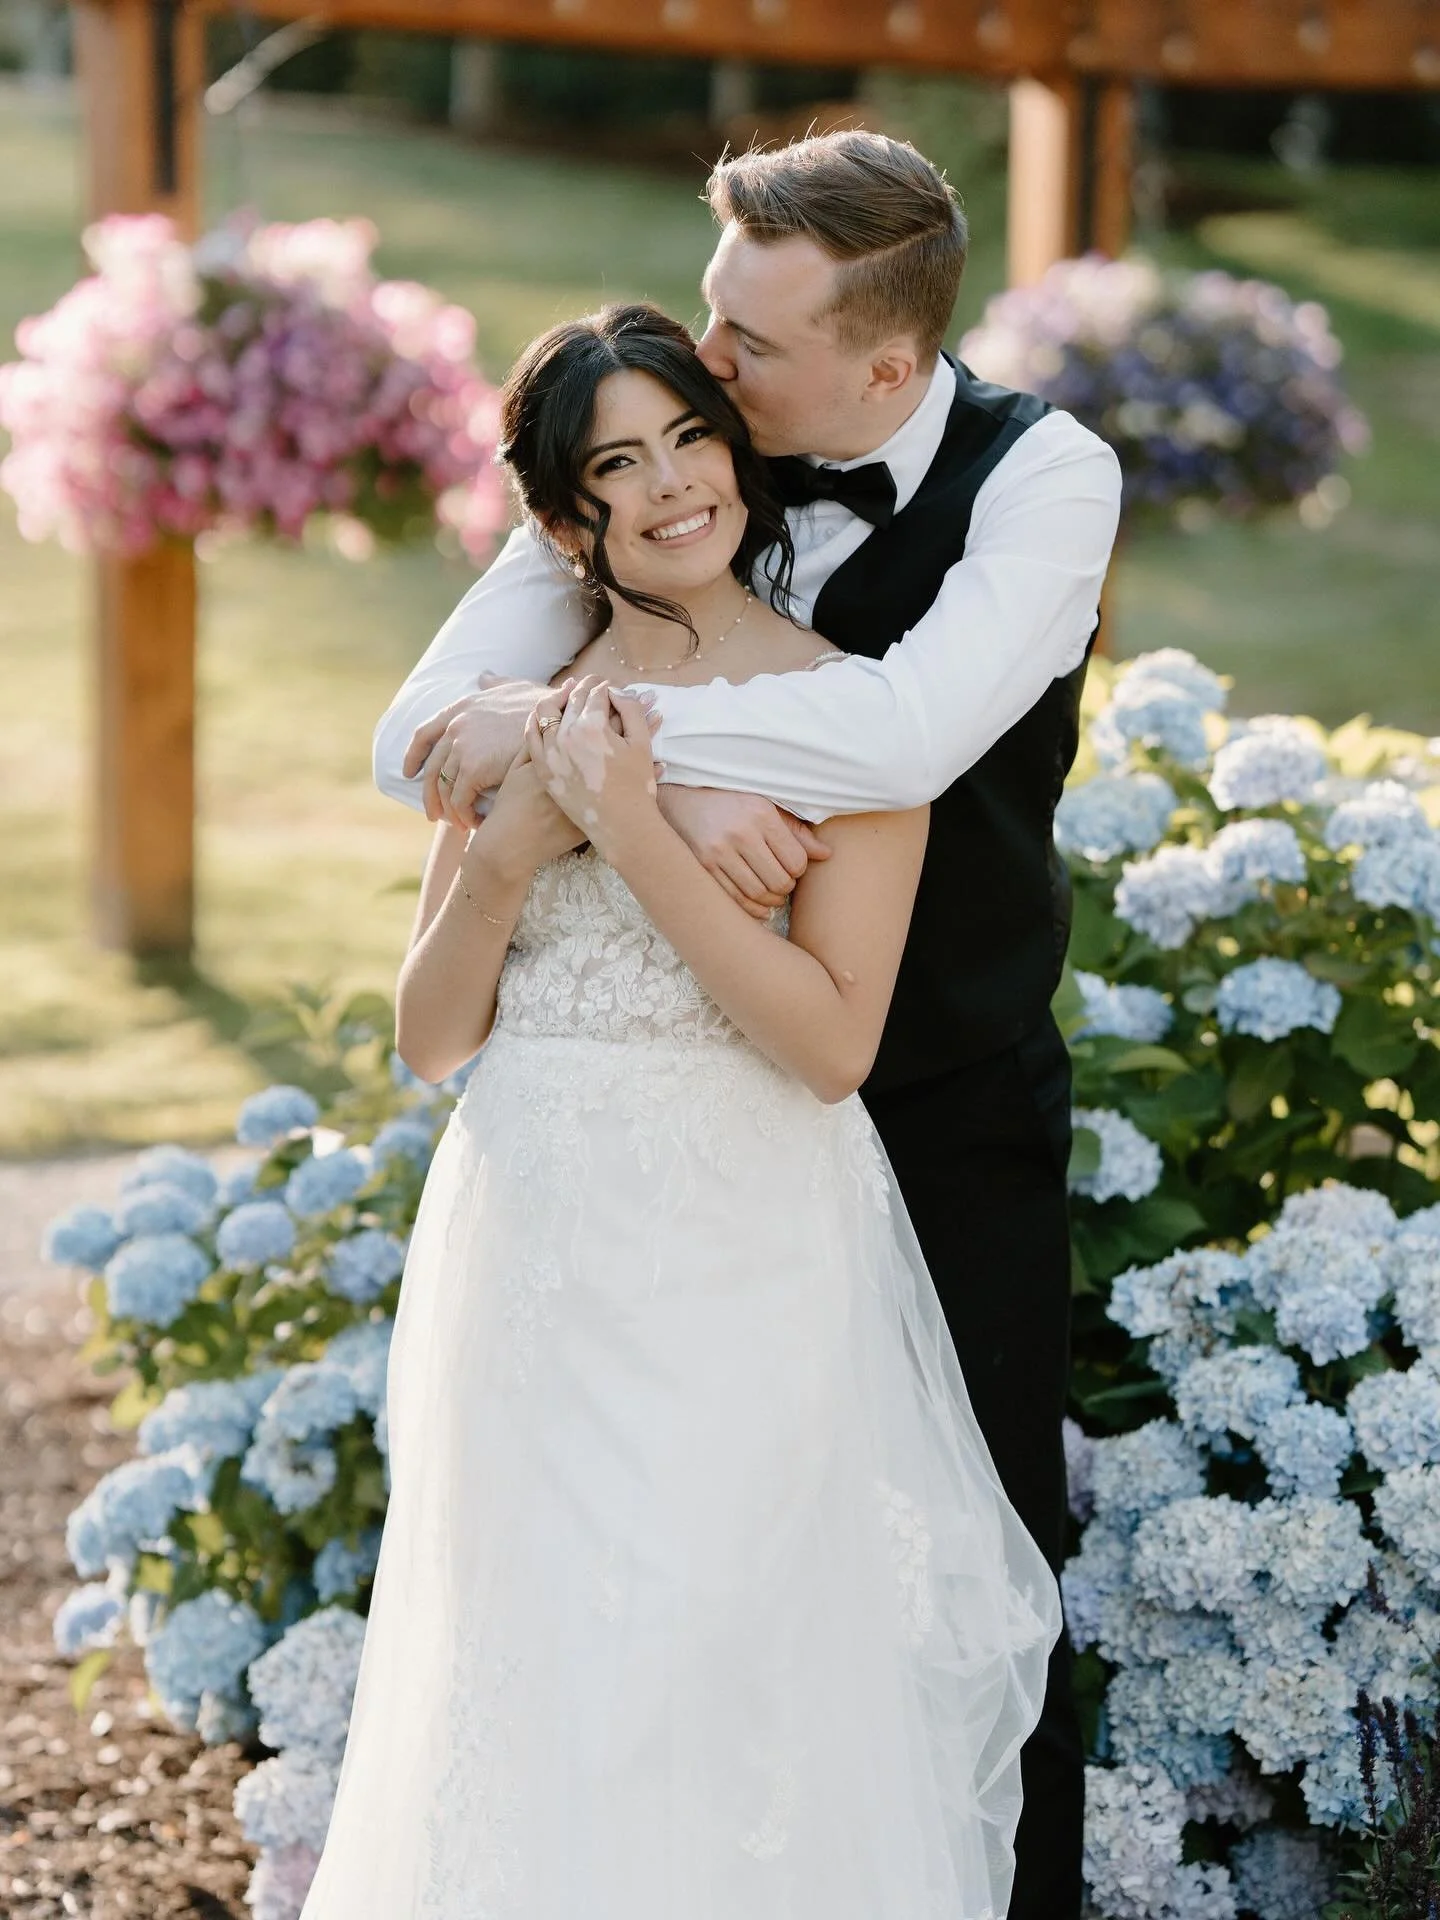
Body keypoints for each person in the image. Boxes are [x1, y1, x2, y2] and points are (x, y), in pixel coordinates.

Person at [371, 131, 1121, 1918]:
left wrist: (624, 786)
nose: (708, 371)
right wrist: (599, 767)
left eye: (743, 353)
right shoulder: (647, 495)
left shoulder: (1044, 476)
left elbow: (897, 744)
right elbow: (414, 727)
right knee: (573, 1626)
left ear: (884, 361)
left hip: (923, 1095)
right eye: (710, 321)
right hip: (580, 1186)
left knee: (949, 1587)